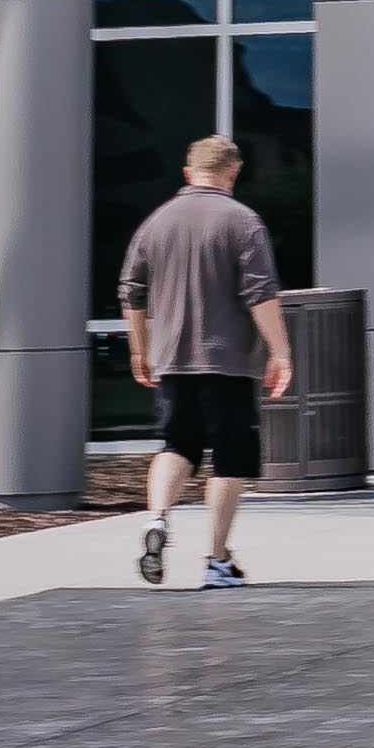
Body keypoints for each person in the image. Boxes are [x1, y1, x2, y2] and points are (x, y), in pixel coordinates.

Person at [118, 128, 293, 589]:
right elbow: (259, 292)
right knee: (231, 459)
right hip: (228, 360)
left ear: (187, 171)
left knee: (177, 444)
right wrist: (280, 350)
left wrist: (140, 349)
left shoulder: (155, 222)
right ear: (234, 171)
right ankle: (217, 560)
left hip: (172, 359)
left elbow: (131, 290)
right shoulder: (242, 221)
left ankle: (157, 519)